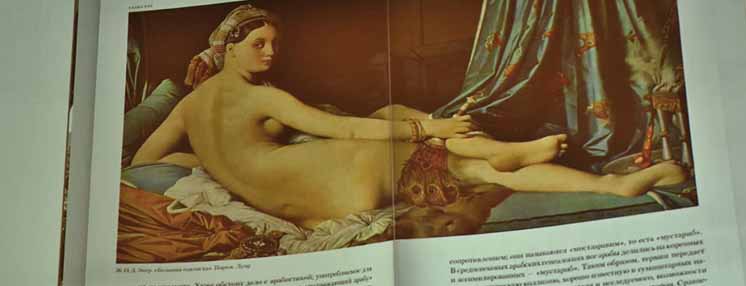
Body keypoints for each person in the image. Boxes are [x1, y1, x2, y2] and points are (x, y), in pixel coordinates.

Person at [132, 4, 687, 230]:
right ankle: (584, 177)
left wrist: (212, 163)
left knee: (403, 122)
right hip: (345, 173)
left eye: (275, 44)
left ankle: (501, 155)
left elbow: (145, 162)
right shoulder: (261, 97)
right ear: (227, 48)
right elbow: (344, 129)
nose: (271, 54)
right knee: (463, 160)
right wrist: (433, 127)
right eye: (258, 44)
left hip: (315, 201)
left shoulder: (188, 106)